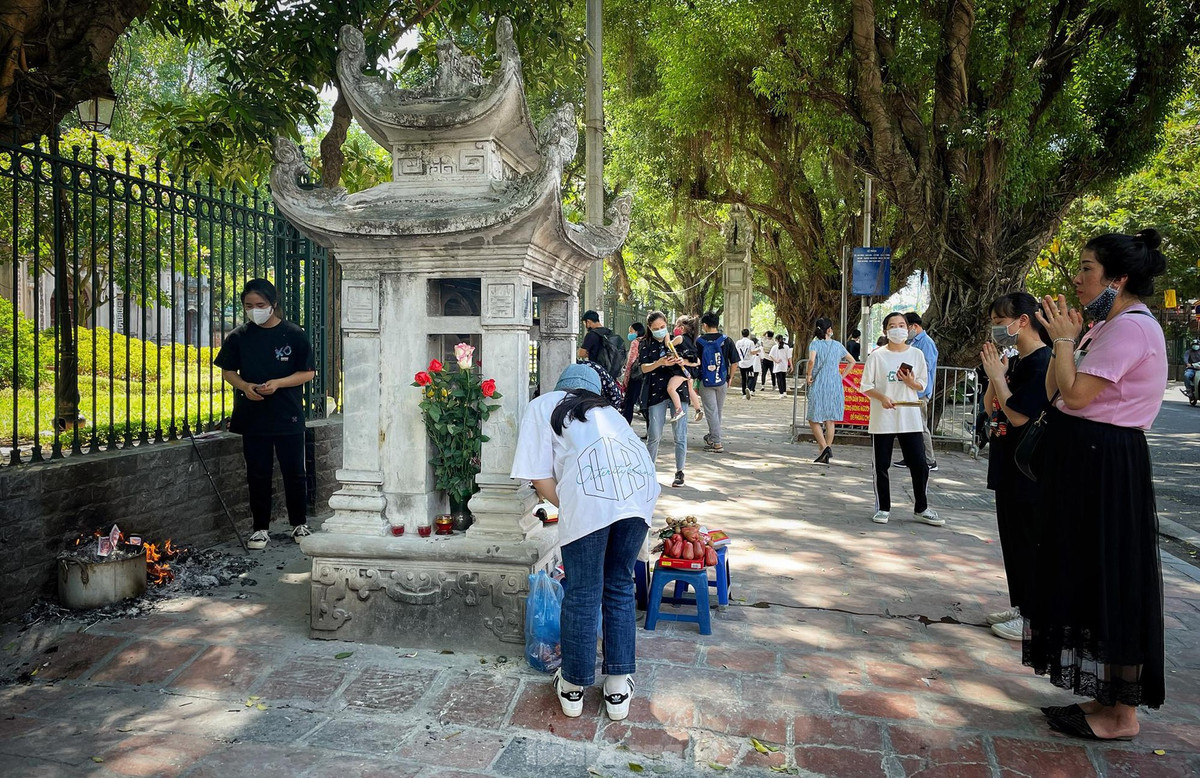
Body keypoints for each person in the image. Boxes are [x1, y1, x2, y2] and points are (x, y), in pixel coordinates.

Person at [1028, 230, 1168, 742]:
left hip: (1107, 466)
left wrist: (1065, 343)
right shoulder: (1102, 327)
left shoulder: (1131, 329)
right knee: (1088, 577)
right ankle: (1103, 698)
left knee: (1113, 580)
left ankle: (1121, 715)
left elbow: (1079, 395)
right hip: (1084, 465)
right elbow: (1055, 389)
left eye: (1088, 269)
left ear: (1119, 279)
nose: (1078, 279)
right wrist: (1062, 341)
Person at [510, 364, 659, 721]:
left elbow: (539, 477)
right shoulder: (609, 413)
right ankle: (618, 686)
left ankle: (573, 686)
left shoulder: (544, 405)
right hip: (640, 497)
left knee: (582, 590)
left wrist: (577, 508)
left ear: (560, 387)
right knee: (620, 586)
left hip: (592, 497)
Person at [214, 278, 316, 550]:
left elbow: (308, 372)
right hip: (253, 415)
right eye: (249, 305)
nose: (255, 310)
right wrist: (245, 386)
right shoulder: (238, 337)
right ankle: (260, 528)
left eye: (260, 305)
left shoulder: (293, 334)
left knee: (294, 471)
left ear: (274, 304)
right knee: (257, 473)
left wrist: (279, 383)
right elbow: (228, 371)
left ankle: (299, 522)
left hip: (287, 414)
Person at [978, 292, 1051, 642]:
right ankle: (1020, 604)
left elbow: (1019, 415)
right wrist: (997, 376)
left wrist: (997, 375)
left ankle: (1034, 616)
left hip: (1029, 468)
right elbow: (992, 405)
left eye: (998, 321)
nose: (995, 330)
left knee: (1028, 541)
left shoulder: (1042, 362)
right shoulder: (1018, 361)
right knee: (1012, 539)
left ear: (1022, 321)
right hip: (1007, 462)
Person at [860, 311, 943, 527]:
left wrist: (911, 382)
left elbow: (923, 385)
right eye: (892, 325)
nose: (898, 329)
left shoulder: (916, 354)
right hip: (883, 417)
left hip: (910, 416)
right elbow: (866, 386)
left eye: (902, 325)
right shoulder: (877, 356)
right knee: (881, 465)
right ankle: (883, 507)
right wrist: (882, 397)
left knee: (920, 464)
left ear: (909, 329)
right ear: (886, 331)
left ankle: (921, 507)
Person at [639, 311, 690, 487]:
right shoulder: (645, 343)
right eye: (656, 328)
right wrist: (660, 362)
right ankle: (649, 471)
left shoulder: (679, 340)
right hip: (656, 391)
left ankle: (680, 472)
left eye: (662, 327)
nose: (660, 330)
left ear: (667, 324)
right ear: (649, 328)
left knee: (680, 434)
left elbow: (694, 361)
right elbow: (644, 368)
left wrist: (682, 361)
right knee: (654, 435)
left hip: (678, 390)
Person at [805, 317, 855, 462]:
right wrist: (842, 376)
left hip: (819, 382)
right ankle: (826, 450)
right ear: (829, 330)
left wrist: (809, 375)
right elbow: (852, 361)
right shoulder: (838, 345)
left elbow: (811, 361)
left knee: (813, 418)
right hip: (835, 384)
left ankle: (824, 447)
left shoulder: (815, 344)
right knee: (830, 420)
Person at [895, 312, 939, 470]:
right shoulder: (912, 342)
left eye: (905, 327)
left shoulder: (926, 343)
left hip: (919, 392)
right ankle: (911, 456)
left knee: (920, 426)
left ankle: (930, 460)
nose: (904, 331)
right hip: (910, 390)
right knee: (909, 427)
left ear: (914, 326)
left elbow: (924, 368)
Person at [695, 311, 741, 453]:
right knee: (717, 412)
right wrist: (730, 378)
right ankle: (712, 437)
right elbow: (734, 362)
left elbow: (695, 362)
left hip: (706, 381)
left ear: (705, 325)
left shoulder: (699, 341)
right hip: (721, 381)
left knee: (711, 412)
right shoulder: (726, 340)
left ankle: (717, 443)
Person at [665, 315, 703, 422]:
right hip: (691, 371)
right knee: (690, 390)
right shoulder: (693, 340)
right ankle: (698, 409)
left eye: (676, 325)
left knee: (671, 388)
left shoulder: (680, 338)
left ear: (681, 328)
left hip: (681, 371)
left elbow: (669, 345)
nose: (675, 328)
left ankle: (678, 409)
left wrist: (667, 336)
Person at [620, 322, 647, 425]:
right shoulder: (647, 341)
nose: (629, 334)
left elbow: (631, 361)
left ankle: (626, 425)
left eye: (631, 331)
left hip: (635, 376)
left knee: (629, 402)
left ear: (636, 331)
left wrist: (626, 379)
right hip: (646, 374)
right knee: (645, 403)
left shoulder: (635, 342)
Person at [735, 328, 758, 398]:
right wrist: (758, 351)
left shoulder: (738, 342)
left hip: (741, 363)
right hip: (749, 363)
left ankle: (744, 393)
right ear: (748, 334)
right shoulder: (750, 342)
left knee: (743, 378)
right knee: (751, 376)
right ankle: (749, 387)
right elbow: (752, 352)